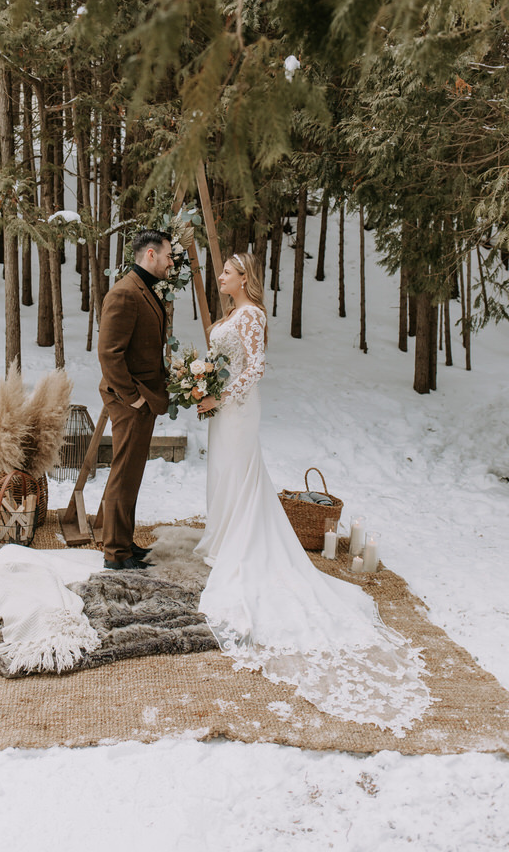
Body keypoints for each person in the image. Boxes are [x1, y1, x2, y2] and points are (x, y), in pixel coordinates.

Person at [195, 252, 430, 736]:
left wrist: (222, 394)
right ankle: (221, 536)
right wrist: (203, 385)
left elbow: (256, 368)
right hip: (222, 408)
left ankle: (240, 543)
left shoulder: (253, 314)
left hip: (239, 409)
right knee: (221, 473)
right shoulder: (228, 316)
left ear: (244, 277)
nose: (219, 276)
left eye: (226, 271)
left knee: (239, 471)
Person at [98, 229, 174, 570]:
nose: (172, 262)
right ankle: (115, 554)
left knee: (131, 474)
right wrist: (133, 398)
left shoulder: (143, 289)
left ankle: (124, 542)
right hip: (130, 399)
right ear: (151, 255)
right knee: (123, 473)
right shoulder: (125, 293)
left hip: (143, 397)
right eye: (169, 255)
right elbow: (109, 354)